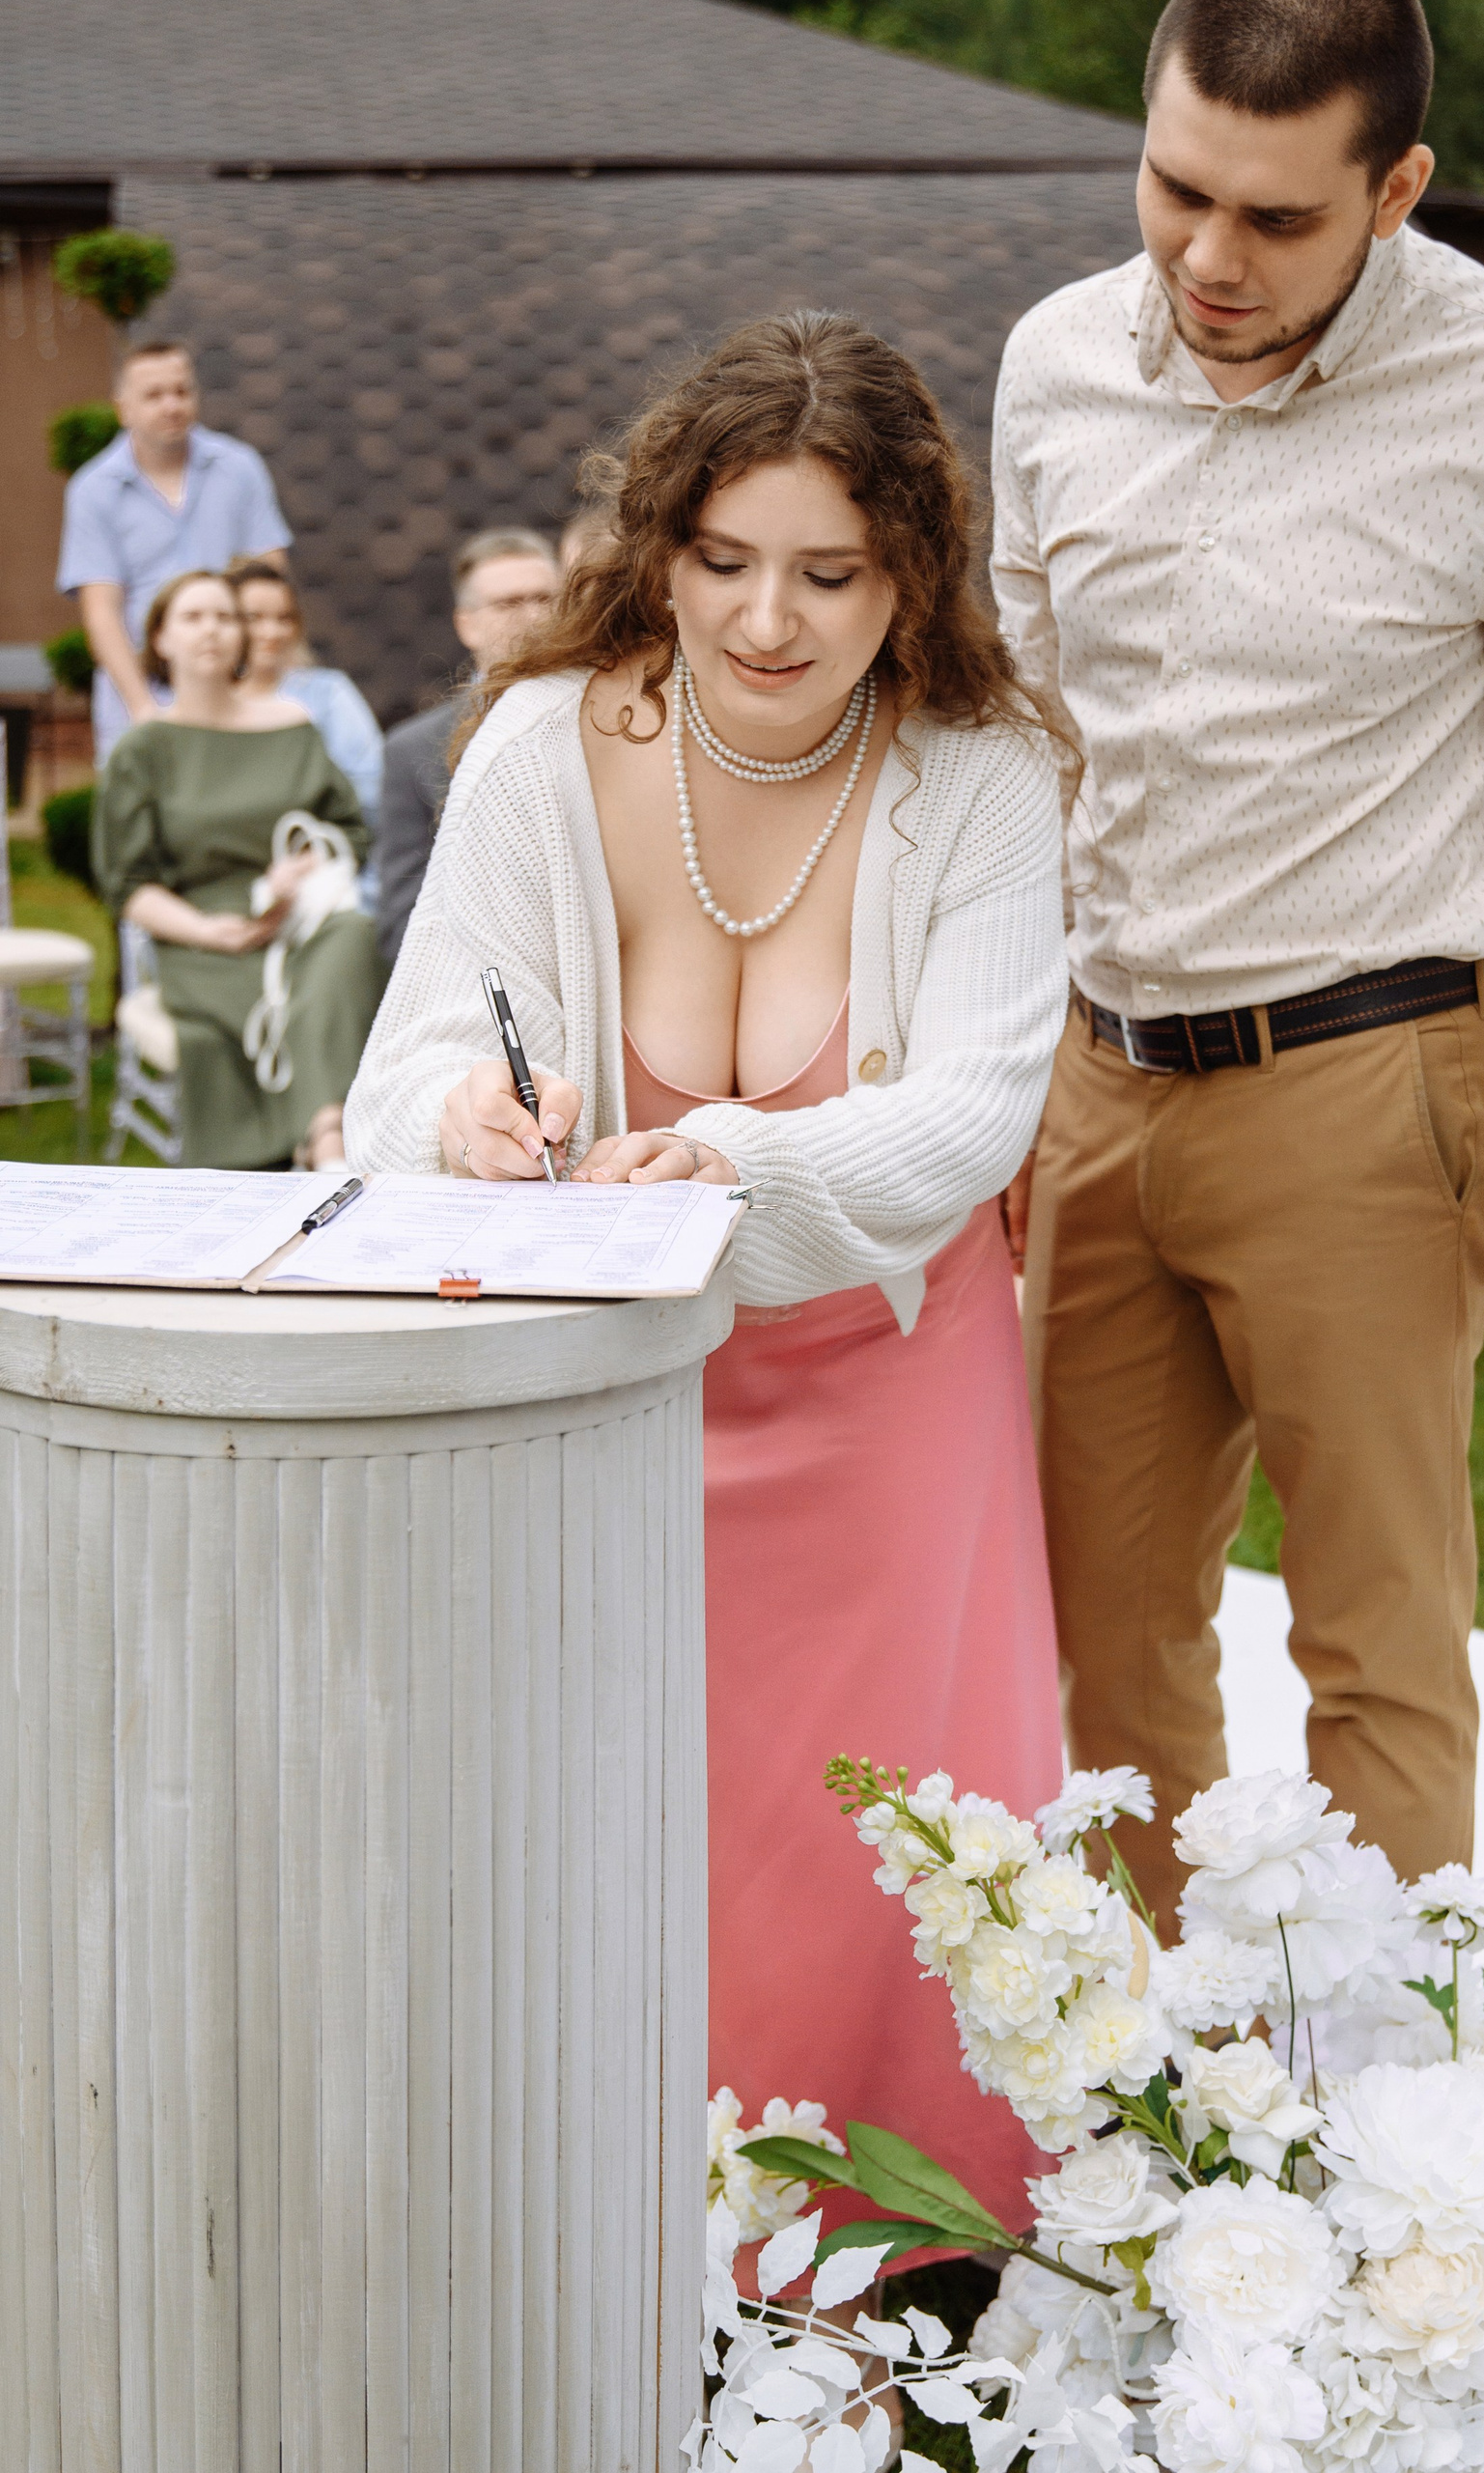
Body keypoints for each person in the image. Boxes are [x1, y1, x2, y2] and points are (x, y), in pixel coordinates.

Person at [996, 0, 1484, 1925]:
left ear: (1398, 190)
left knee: (1375, 1645)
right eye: (1175, 187)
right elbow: (1020, 740)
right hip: (1091, 1078)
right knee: (1096, 1630)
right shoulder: (1056, 361)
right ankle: (1141, 2059)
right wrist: (985, 1074)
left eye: (1277, 217)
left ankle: (1388, 2095)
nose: (1208, 256)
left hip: (1365, 1084)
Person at [346, 314, 1069, 2234]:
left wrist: (732, 1160)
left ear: (911, 574)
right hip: (609, 1405)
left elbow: (978, 1109)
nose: (767, 618)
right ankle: (610, 2230)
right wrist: (467, 1121)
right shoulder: (538, 747)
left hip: (892, 1396)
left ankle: (904, 2259)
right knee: (614, 1824)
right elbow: (406, 1070)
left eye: (830, 572)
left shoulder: (984, 773)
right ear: (658, 548)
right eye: (725, 559)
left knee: (881, 1836)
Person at [94, 570, 386, 1170]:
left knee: (353, 938)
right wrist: (208, 931)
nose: (212, 629)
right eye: (193, 617)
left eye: (226, 616)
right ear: (161, 639)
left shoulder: (291, 725)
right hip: (201, 935)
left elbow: (349, 830)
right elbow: (128, 884)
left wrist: (299, 873)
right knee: (281, 1001)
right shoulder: (142, 750)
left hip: (302, 921)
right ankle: (322, 1142)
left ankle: (324, 1134)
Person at [56, 341, 293, 760]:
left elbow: (269, 579)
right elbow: (102, 613)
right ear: (123, 409)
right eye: (154, 395)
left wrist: (249, 689)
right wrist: (143, 709)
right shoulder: (93, 490)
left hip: (232, 690)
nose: (172, 405)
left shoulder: (239, 468)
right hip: (139, 699)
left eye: (182, 391)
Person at [374, 527, 559, 963]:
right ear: (466, 624)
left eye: (545, 599)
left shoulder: (615, 719)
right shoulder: (412, 751)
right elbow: (404, 922)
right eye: (509, 604)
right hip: (482, 977)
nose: (533, 617)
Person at [229, 557, 385, 854]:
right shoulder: (206, 703)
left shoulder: (328, 693)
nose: (272, 632)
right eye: (255, 618)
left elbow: (371, 789)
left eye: (284, 618)